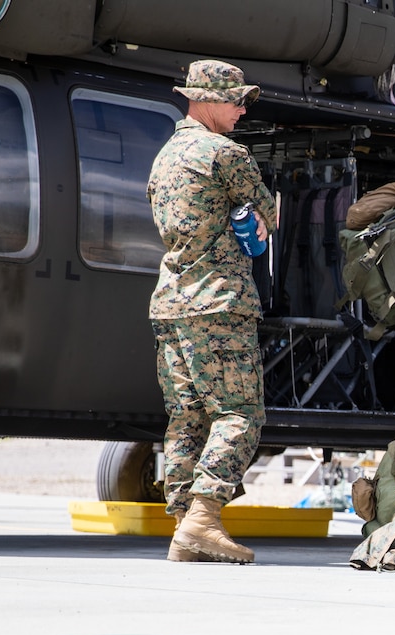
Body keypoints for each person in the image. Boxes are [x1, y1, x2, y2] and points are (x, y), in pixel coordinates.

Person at [146, 60, 276, 564]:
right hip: (217, 300)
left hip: (171, 301)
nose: (242, 109)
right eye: (236, 99)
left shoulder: (164, 156)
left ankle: (184, 527)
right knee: (240, 412)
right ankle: (203, 517)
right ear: (204, 100)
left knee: (187, 416)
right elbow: (267, 216)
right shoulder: (226, 153)